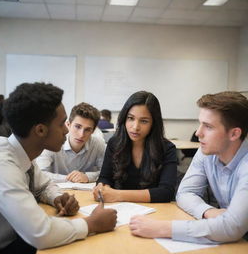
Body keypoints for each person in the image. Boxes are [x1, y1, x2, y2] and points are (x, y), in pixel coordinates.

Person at [0, 82, 117, 253]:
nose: (66, 132)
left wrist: (58, 198)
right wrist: (92, 223)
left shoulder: (21, 154)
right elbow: (40, 233)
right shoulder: (1, 165)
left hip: (18, 238)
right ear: (41, 130)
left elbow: (43, 186)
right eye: (62, 124)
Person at [129, 91, 248, 244]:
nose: (198, 133)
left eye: (208, 127)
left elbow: (231, 227)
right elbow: (185, 192)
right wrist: (208, 211)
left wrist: (164, 228)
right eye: (200, 124)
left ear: (234, 134)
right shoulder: (207, 152)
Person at [93, 91, 177, 203]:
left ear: (154, 123)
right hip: (119, 210)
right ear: (124, 118)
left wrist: (117, 195)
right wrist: (103, 188)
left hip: (155, 212)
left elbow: (166, 192)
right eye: (131, 118)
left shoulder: (167, 149)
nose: (135, 127)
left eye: (144, 121)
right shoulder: (115, 143)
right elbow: (105, 177)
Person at [36, 102, 105, 183]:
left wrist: (87, 177)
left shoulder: (98, 143)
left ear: (93, 131)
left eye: (87, 129)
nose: (81, 134)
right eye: (77, 127)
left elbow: (106, 173)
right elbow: (40, 174)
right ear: (68, 124)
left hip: (86, 193)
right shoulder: (52, 141)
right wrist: (68, 179)